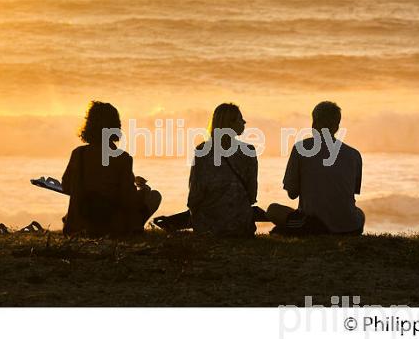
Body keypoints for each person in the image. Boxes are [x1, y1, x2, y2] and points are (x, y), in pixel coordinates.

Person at [153, 103, 266, 237]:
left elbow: (195, 196)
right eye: (240, 119)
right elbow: (252, 195)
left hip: (208, 227)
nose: (244, 122)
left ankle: (174, 222)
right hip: (240, 226)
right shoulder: (249, 151)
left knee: (203, 208)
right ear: (230, 124)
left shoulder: (202, 150)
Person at [61, 101, 161, 238]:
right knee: (154, 196)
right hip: (112, 228)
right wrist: (144, 191)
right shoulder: (123, 159)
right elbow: (127, 199)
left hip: (78, 227)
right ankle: (134, 227)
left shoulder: (78, 154)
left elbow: (66, 187)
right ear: (115, 127)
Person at [267, 101, 365, 235]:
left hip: (316, 225)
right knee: (360, 213)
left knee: (273, 210)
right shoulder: (354, 154)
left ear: (313, 124)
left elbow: (292, 193)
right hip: (351, 227)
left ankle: (291, 230)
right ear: (336, 127)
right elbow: (349, 193)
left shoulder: (301, 148)